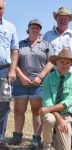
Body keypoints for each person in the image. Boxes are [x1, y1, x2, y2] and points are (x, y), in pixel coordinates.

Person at [43, 7, 72, 148]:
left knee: (69, 108)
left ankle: (71, 138)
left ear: (69, 20)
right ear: (56, 18)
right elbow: (44, 56)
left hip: (71, 76)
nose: (63, 19)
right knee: (50, 108)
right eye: (60, 17)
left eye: (65, 17)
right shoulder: (47, 35)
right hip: (52, 75)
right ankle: (49, 140)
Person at [8, 19, 53, 149]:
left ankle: (36, 138)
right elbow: (13, 60)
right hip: (20, 83)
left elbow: (51, 62)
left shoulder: (46, 44)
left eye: (37, 27)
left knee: (37, 111)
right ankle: (17, 136)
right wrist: (21, 76)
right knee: (18, 111)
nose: (35, 29)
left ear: (40, 31)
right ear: (28, 29)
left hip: (39, 84)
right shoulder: (20, 44)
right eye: (32, 27)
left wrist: (40, 77)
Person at [39, 48, 72, 150]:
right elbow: (47, 101)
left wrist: (61, 119)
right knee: (48, 119)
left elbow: (67, 103)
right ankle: (46, 145)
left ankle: (56, 139)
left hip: (65, 116)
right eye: (61, 62)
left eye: (67, 62)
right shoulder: (48, 78)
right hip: (51, 114)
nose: (64, 65)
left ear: (71, 64)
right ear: (56, 62)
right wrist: (58, 118)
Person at [0, 0, 19, 149]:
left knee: (4, 104)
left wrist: (12, 69)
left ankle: (0, 139)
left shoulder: (10, 27)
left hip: (5, 70)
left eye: (0, 8)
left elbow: (14, 50)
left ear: (4, 9)